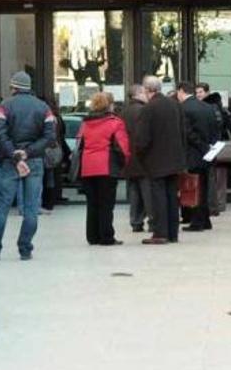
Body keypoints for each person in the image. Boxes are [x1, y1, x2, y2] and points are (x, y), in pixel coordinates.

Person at [0, 71, 55, 261]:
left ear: (14, 87)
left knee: (2, 206)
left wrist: (15, 155)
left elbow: (0, 135)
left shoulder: (4, 106)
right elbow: (50, 136)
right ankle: (25, 249)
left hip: (10, 162)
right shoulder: (44, 107)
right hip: (34, 160)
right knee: (31, 208)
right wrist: (28, 153)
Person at [134, 76, 186, 245]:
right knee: (172, 196)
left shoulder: (148, 109)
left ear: (148, 90)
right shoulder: (175, 105)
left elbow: (142, 139)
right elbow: (183, 132)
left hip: (156, 160)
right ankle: (172, 233)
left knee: (158, 197)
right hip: (175, 159)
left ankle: (160, 233)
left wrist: (140, 156)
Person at [77, 92, 130, 246]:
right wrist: (123, 163)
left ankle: (92, 236)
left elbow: (79, 145)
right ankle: (106, 236)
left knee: (92, 203)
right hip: (106, 167)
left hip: (88, 166)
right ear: (110, 105)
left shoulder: (85, 123)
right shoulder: (115, 122)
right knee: (106, 204)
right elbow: (122, 147)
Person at [176, 81, 220, 232]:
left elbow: (188, 133)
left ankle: (197, 222)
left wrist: (202, 147)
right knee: (204, 187)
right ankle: (205, 220)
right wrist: (210, 147)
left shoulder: (183, 108)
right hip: (208, 154)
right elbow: (216, 129)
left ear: (181, 91)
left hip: (193, 154)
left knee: (195, 188)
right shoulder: (208, 107)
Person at [123, 84, 152, 232]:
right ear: (138, 94)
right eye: (144, 92)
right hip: (143, 158)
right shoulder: (143, 111)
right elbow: (146, 135)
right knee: (148, 192)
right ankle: (152, 221)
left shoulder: (124, 111)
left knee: (134, 192)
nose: (147, 95)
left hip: (129, 158)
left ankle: (135, 221)